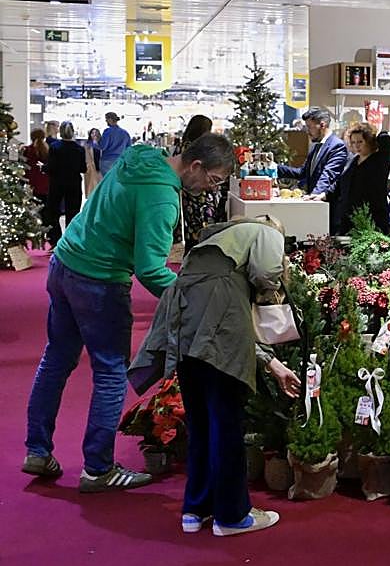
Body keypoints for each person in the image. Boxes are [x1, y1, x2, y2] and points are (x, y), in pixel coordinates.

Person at [22, 133, 236, 492]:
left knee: (56, 359)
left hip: (65, 263)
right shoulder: (162, 198)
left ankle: (37, 450)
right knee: (110, 373)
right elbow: (150, 268)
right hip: (100, 281)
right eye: (211, 180)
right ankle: (98, 469)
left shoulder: (141, 156)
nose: (210, 189)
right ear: (195, 165)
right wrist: (192, 301)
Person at [129, 217, 300, 536]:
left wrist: (271, 364)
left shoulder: (211, 248)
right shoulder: (266, 232)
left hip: (183, 328)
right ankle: (232, 516)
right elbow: (266, 272)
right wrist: (275, 286)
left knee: (200, 424)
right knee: (226, 423)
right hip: (219, 336)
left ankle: (195, 510)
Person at [325, 121, 390, 235]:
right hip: (349, 219)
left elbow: (385, 138)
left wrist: (373, 134)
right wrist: (324, 195)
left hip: (372, 218)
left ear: (369, 141)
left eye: (360, 141)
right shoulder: (353, 160)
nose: (356, 145)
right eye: (353, 142)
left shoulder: (380, 161)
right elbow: (341, 182)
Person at [175, 115, 224, 250]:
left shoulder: (182, 145)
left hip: (187, 190)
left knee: (191, 223)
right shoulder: (196, 149)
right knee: (199, 221)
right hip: (196, 191)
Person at [277, 107, 348, 197]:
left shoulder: (337, 146)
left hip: (326, 204)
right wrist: (275, 167)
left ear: (322, 125)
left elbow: (328, 175)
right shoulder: (316, 146)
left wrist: (315, 194)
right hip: (315, 201)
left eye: (309, 127)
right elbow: (302, 173)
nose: (307, 131)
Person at [43, 121, 86, 245]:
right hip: (74, 183)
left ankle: (56, 239)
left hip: (57, 183)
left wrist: (43, 168)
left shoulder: (55, 147)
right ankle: (70, 240)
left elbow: (51, 167)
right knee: (73, 212)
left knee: (53, 211)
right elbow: (83, 168)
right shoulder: (79, 148)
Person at [22, 129, 50, 232]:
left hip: (32, 186)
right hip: (45, 186)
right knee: (45, 213)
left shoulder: (27, 150)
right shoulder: (48, 151)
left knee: (34, 212)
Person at [83, 128, 102, 197]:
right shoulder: (87, 145)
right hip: (91, 168)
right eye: (92, 133)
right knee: (91, 189)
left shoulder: (102, 144)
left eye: (96, 133)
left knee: (100, 189)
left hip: (100, 168)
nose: (94, 134)